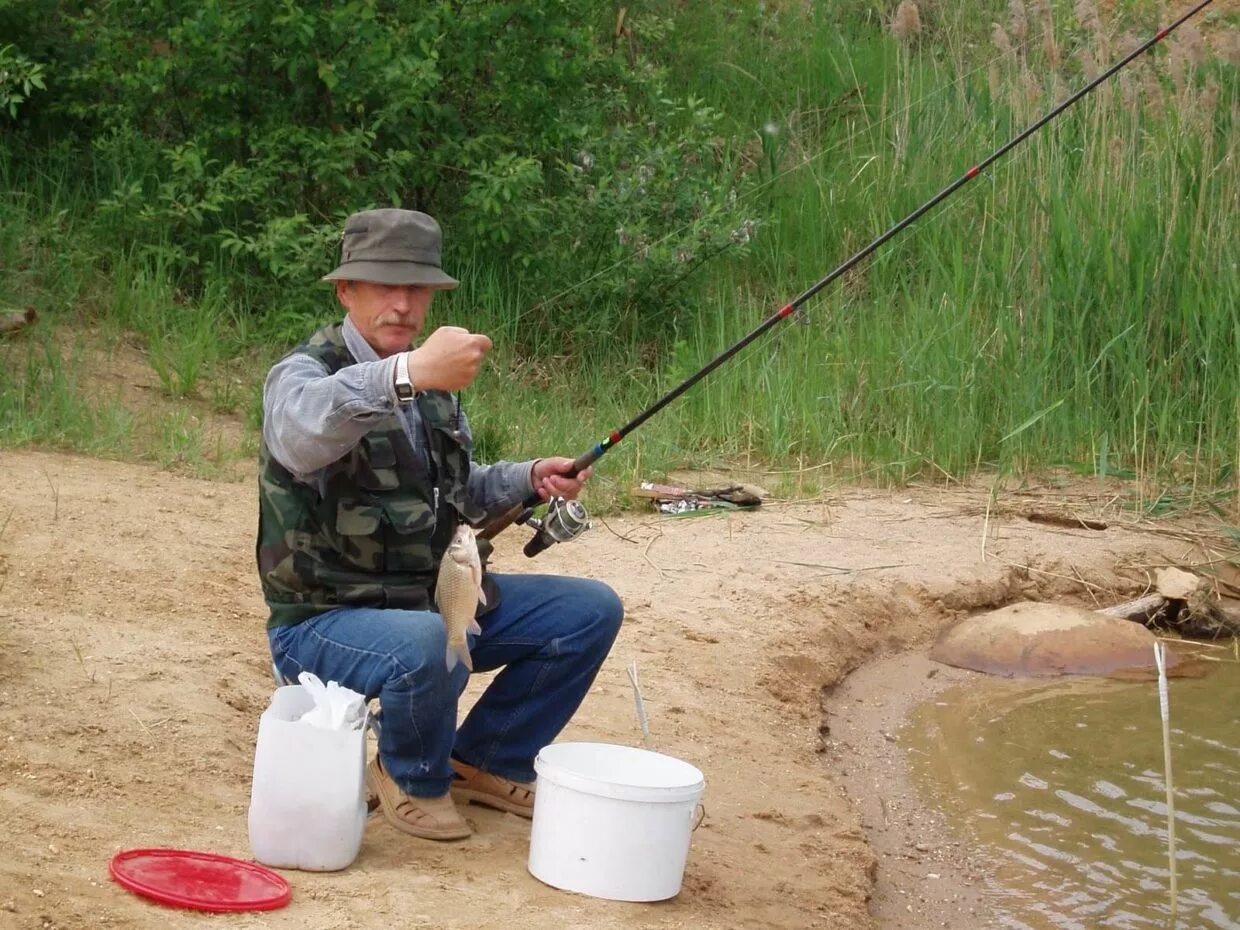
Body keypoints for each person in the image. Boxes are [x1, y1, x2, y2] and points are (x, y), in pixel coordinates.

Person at [257, 208, 624, 841]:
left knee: (589, 611)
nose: (401, 304)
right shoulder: (304, 374)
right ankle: (409, 775)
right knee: (427, 641)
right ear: (346, 290)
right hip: (322, 622)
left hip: (426, 600)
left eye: (416, 288)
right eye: (382, 286)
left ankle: (483, 760)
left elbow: (452, 493)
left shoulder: (434, 380)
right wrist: (406, 374)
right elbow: (299, 435)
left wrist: (528, 477)